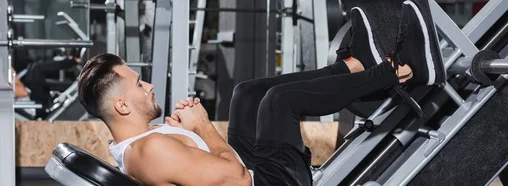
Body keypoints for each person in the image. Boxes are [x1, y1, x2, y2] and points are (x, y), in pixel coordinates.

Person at [76, 1, 445, 185]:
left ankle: (354, 67)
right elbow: (235, 179)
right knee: (278, 103)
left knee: (246, 93)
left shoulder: (141, 145)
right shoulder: (149, 151)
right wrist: (202, 127)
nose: (149, 85)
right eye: (139, 84)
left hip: (254, 174)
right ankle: (400, 70)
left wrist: (186, 135)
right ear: (122, 104)